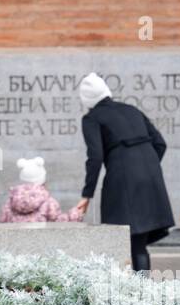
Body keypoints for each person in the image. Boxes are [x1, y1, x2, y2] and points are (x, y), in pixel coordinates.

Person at [70, 73, 174, 272]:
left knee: (119, 239)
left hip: (122, 181)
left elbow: (95, 156)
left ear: (87, 99)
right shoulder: (131, 110)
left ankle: (127, 294)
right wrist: (147, 169)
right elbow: (160, 143)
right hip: (151, 178)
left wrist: (87, 194)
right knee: (138, 244)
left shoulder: (92, 118)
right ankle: (144, 291)